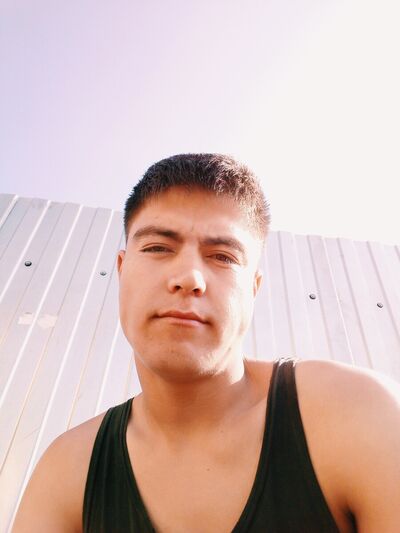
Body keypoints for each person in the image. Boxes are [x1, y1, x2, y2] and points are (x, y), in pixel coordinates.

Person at [13, 153, 400, 532]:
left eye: (223, 256)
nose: (188, 278)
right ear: (121, 269)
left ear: (253, 289)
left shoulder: (357, 415)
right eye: (158, 248)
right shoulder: (69, 472)